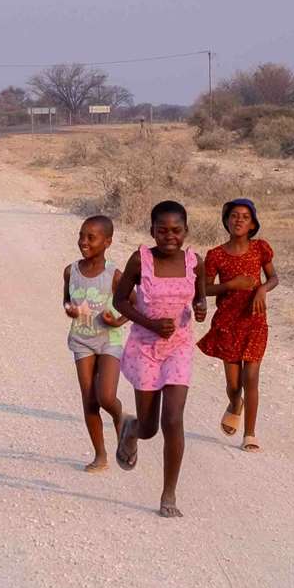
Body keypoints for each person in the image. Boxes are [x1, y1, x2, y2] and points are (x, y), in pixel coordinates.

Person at [112, 200, 198, 518]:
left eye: (176, 230)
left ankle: (168, 494)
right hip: (146, 347)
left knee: (173, 419)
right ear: (152, 231)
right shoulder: (140, 260)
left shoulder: (193, 262)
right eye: (162, 231)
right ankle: (132, 429)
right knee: (150, 428)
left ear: (186, 231)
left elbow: (199, 297)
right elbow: (120, 300)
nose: (169, 236)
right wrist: (149, 323)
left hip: (179, 347)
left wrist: (201, 307)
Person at [198, 199, 280, 452]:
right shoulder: (216, 255)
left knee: (251, 378)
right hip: (227, 323)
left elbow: (274, 277)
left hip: (254, 321)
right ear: (226, 221)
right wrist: (230, 286)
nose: (239, 220)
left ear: (253, 223)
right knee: (234, 386)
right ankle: (235, 404)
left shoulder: (260, 249)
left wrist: (262, 290)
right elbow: (205, 288)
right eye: (234, 215)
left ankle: (250, 434)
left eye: (245, 216)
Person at [62, 215, 129, 471]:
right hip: (82, 341)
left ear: (107, 241)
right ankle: (100, 455)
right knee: (89, 399)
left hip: (109, 340)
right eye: (81, 236)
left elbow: (132, 303)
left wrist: (118, 321)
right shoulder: (71, 271)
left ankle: (120, 417)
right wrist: (69, 308)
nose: (84, 242)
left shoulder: (114, 274)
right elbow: (66, 301)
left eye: (91, 237)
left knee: (106, 396)